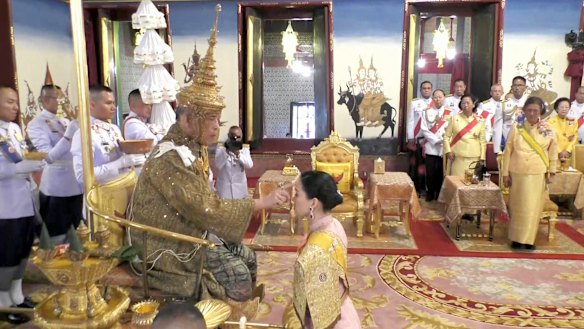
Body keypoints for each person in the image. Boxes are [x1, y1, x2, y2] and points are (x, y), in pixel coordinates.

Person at [129, 22, 289, 303]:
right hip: (166, 243)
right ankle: (226, 316)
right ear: (187, 119)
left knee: (248, 256)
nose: (217, 127)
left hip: (194, 229)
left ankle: (237, 313)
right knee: (237, 272)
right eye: (211, 119)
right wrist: (260, 203)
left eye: (218, 119)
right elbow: (202, 207)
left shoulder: (194, 147)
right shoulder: (170, 157)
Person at [288, 171, 360, 329]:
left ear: (313, 203)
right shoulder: (334, 225)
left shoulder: (313, 253)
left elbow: (318, 315)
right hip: (343, 311)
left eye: (297, 194)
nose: (293, 199)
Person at [0, 85, 44, 324]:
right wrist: (20, 169)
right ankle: (3, 303)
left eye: (16, 102)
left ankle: (17, 296)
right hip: (5, 207)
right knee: (7, 256)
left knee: (22, 252)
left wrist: (32, 164)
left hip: (24, 201)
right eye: (9, 102)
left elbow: (25, 155)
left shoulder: (15, 129)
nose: (15, 107)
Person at [27, 84, 82, 244]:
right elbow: (49, 157)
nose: (61, 102)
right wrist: (68, 135)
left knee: (78, 234)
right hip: (56, 188)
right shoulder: (36, 124)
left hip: (75, 184)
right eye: (57, 98)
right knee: (57, 237)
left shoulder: (66, 121)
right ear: (44, 100)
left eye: (62, 97)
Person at [502, 96, 558, 250]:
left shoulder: (548, 129)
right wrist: (505, 174)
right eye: (529, 110)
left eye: (536, 110)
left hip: (537, 172)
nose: (532, 113)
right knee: (517, 206)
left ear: (541, 111)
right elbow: (507, 151)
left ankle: (528, 240)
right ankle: (516, 238)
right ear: (524, 111)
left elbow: (553, 151)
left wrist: (552, 171)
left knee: (532, 208)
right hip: (517, 171)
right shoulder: (516, 127)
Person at [71, 85, 145, 187]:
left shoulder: (114, 128)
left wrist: (132, 160)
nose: (113, 107)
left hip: (124, 188)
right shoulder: (84, 133)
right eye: (108, 103)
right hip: (102, 196)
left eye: (114, 103)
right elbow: (82, 176)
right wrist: (120, 163)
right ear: (92, 105)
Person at [444, 94, 487, 176]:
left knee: (472, 184)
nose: (465, 105)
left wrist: (482, 157)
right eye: (463, 103)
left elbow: (483, 141)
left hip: (474, 156)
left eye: (468, 103)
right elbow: (446, 137)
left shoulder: (480, 120)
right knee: (457, 183)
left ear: (473, 105)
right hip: (458, 157)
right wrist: (448, 151)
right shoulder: (454, 118)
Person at [421, 89, 451, 201]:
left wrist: (445, 140)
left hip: (444, 146)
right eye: (436, 97)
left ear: (444, 98)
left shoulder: (450, 112)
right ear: (433, 99)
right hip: (432, 146)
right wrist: (435, 140)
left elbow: (452, 129)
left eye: (440, 97)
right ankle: (430, 192)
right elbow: (424, 129)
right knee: (430, 171)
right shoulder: (426, 111)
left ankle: (439, 192)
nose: (438, 99)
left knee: (441, 171)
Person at [406, 81, 433, 196]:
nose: (426, 90)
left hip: (431, 140)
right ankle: (417, 188)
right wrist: (411, 137)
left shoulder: (436, 103)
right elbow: (410, 120)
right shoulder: (415, 103)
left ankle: (428, 188)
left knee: (429, 166)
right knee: (417, 165)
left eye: (428, 88)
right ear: (420, 90)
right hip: (418, 139)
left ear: (431, 90)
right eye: (424, 88)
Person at [215, 125, 253, 200]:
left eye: (238, 137)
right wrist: (227, 152)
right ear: (228, 135)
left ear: (241, 137)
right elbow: (218, 165)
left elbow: (250, 165)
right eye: (233, 136)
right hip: (224, 191)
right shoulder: (221, 148)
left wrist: (238, 155)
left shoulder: (244, 148)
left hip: (240, 190)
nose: (235, 139)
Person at [493, 76, 528, 154]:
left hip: (526, 143)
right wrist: (497, 149)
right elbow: (497, 127)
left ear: (525, 87)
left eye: (520, 85)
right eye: (515, 85)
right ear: (512, 87)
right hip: (507, 142)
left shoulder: (530, 103)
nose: (517, 88)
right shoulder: (503, 104)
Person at [548, 97, 577, 169]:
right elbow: (550, 138)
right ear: (557, 109)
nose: (564, 109)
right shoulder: (550, 121)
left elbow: (575, 137)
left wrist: (568, 150)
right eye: (561, 107)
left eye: (567, 107)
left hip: (568, 155)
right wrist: (559, 151)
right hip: (555, 154)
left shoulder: (573, 121)